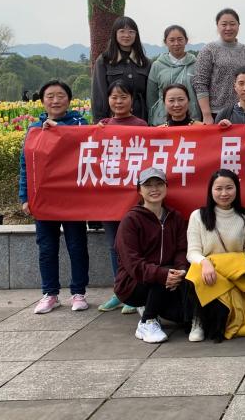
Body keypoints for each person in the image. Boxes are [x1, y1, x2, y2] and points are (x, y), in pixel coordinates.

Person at [20, 80, 90, 314]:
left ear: (69, 100)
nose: (55, 100)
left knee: (77, 246)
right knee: (47, 248)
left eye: (60, 96)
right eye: (50, 96)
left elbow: (85, 149)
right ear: (42, 101)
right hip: (44, 199)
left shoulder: (80, 124)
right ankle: (50, 293)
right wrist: (25, 196)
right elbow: (26, 165)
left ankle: (78, 293)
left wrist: (59, 130)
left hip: (73, 199)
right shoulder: (34, 129)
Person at [114, 167, 188, 343]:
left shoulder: (175, 217)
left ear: (166, 187)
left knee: (184, 319)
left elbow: (182, 249)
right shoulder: (131, 220)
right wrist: (163, 274)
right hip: (133, 284)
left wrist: (181, 270)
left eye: (159, 184)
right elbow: (133, 263)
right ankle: (147, 321)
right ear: (139, 190)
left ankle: (151, 306)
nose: (154, 189)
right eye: (148, 185)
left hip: (169, 280)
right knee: (161, 276)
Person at [186, 169, 245, 342]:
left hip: (234, 274)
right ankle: (197, 320)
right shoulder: (198, 216)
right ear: (211, 190)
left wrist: (228, 269)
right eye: (218, 189)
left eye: (229, 188)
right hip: (206, 272)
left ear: (237, 189)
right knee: (192, 275)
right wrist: (205, 263)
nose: (224, 193)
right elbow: (192, 252)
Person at [96, 79, 147, 313]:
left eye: (123, 97)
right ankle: (120, 290)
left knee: (135, 246)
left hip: (134, 198)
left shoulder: (141, 125)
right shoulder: (102, 127)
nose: (119, 101)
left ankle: (134, 292)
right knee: (114, 246)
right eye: (114, 97)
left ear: (132, 100)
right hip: (109, 199)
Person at [193, 8, 245, 124]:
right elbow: (200, 83)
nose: (228, 28)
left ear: (238, 26)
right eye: (224, 24)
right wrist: (206, 114)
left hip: (243, 111)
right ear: (217, 26)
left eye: (232, 24)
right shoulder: (208, 50)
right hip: (216, 112)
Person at [92, 16, 151, 123]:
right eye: (122, 31)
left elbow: (150, 95)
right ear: (115, 34)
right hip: (113, 120)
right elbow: (99, 94)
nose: (126, 35)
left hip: (141, 118)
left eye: (131, 32)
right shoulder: (104, 61)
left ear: (136, 35)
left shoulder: (145, 62)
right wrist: (99, 121)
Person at [147, 25, 200, 125]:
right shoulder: (157, 65)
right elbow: (151, 97)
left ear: (186, 41)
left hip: (192, 118)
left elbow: (201, 92)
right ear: (165, 42)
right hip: (163, 119)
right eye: (172, 40)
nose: (176, 43)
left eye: (180, 39)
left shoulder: (196, 64)